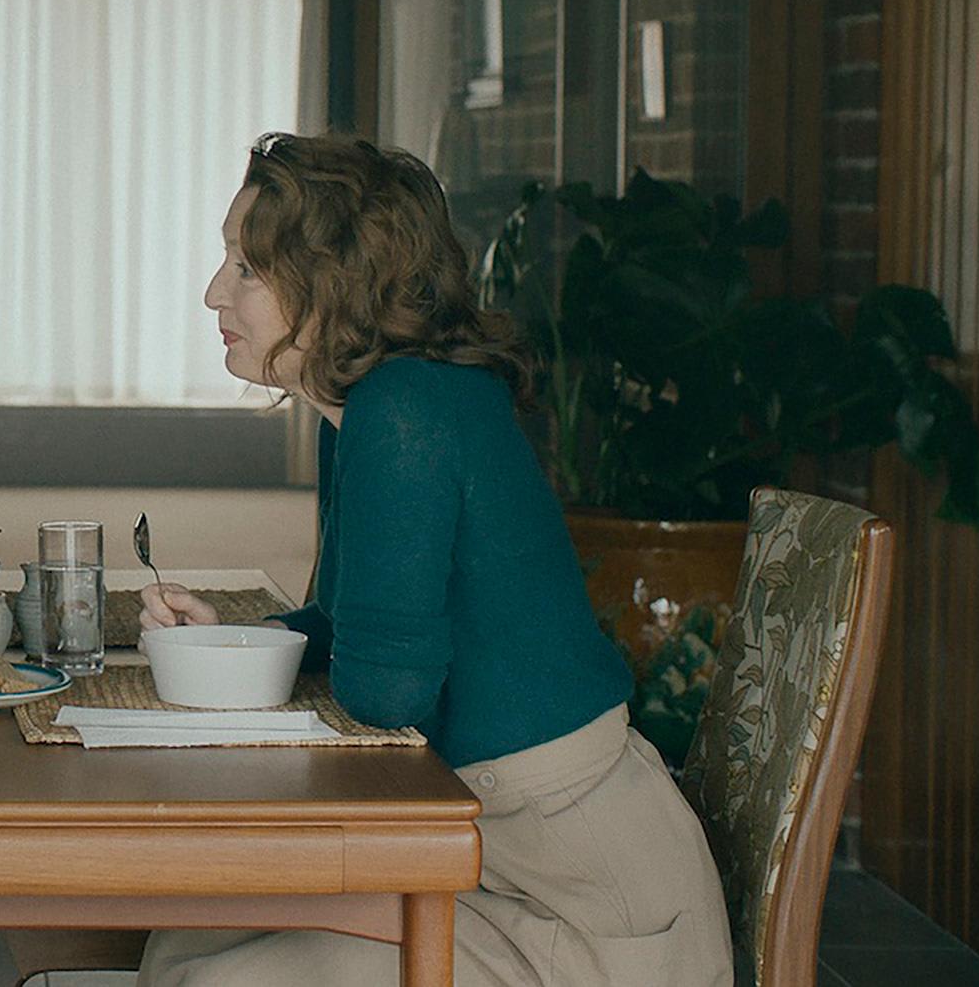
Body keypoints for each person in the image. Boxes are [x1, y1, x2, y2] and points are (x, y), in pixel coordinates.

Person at [134, 133, 734, 987]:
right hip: (499, 845)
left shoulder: (402, 414)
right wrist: (237, 636)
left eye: (246, 268)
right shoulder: (377, 404)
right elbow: (352, 628)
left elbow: (387, 692)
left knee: (215, 977)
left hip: (585, 899)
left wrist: (289, 657)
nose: (212, 292)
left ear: (333, 283)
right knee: (190, 943)